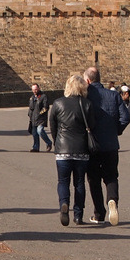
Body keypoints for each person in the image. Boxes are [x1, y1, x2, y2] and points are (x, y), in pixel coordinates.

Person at [85, 66, 129, 226]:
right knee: (111, 176)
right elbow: (125, 117)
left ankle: (99, 213)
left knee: (94, 180)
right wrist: (116, 131)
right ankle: (112, 201)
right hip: (111, 144)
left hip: (92, 145)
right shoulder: (113, 95)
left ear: (87, 80)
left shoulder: (85, 96)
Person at [47, 74, 93, 226]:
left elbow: (52, 125)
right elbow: (92, 125)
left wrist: (57, 142)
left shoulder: (58, 103)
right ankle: (78, 215)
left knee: (63, 181)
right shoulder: (86, 104)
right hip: (81, 149)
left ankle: (63, 205)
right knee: (79, 183)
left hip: (63, 150)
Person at [27, 84, 52, 152]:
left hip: (41, 119)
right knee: (34, 133)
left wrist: (40, 113)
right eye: (33, 90)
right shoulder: (32, 98)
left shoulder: (43, 97)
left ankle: (49, 143)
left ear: (39, 88)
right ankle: (36, 147)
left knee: (40, 131)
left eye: (35, 89)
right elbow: (30, 108)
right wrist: (30, 115)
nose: (34, 91)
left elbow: (46, 107)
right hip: (33, 119)